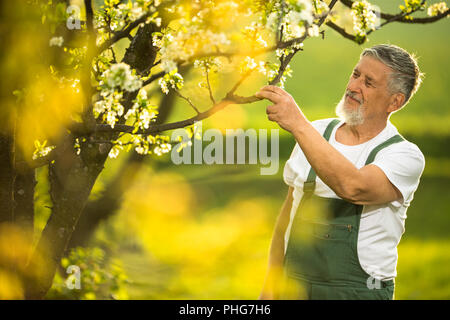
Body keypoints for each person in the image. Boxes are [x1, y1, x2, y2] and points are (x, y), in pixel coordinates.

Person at [256, 44, 425, 300]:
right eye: (356, 74)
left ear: (395, 101)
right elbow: (287, 218)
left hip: (358, 293)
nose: (354, 86)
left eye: (369, 82)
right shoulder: (316, 133)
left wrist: (298, 124)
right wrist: (270, 288)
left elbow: (354, 187)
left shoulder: (403, 156)